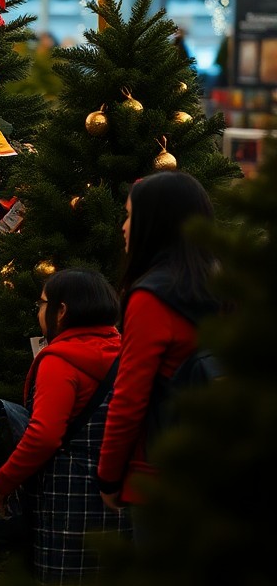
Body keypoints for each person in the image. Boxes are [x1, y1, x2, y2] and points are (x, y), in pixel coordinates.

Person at [0, 269, 131, 586]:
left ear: (62, 311)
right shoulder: (125, 354)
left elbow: (44, 435)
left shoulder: (60, 361)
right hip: (117, 498)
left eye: (42, 304)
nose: (39, 312)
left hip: (69, 505)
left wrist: (2, 482)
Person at [96, 172, 218, 535]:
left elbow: (129, 398)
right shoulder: (226, 285)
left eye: (131, 215)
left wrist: (109, 477)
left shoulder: (152, 297)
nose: (123, 226)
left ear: (155, 224)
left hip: (164, 480)